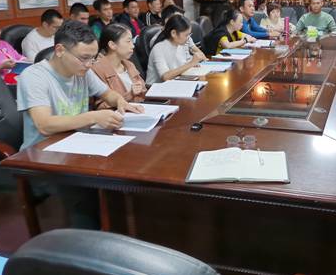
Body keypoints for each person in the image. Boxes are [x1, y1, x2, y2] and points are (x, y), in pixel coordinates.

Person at [17, 21, 143, 229]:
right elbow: (44, 125)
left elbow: (107, 94)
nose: (89, 64)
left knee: (125, 169)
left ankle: (124, 229)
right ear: (60, 50)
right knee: (86, 192)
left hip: (77, 148)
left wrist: (120, 101)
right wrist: (92, 117)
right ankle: (89, 242)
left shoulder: (83, 71)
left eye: (93, 58)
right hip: (43, 159)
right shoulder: (34, 77)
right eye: (84, 58)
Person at [92, 23, 147, 109]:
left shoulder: (129, 64)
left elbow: (144, 91)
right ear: (112, 45)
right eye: (128, 41)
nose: (132, 46)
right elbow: (100, 107)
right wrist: (129, 95)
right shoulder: (97, 69)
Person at [146, 14, 207, 84]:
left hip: (174, 83)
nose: (188, 38)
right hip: (155, 88)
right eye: (186, 35)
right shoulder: (158, 48)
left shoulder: (180, 45)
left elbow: (181, 66)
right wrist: (191, 63)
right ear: (173, 33)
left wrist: (192, 63)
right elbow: (165, 77)